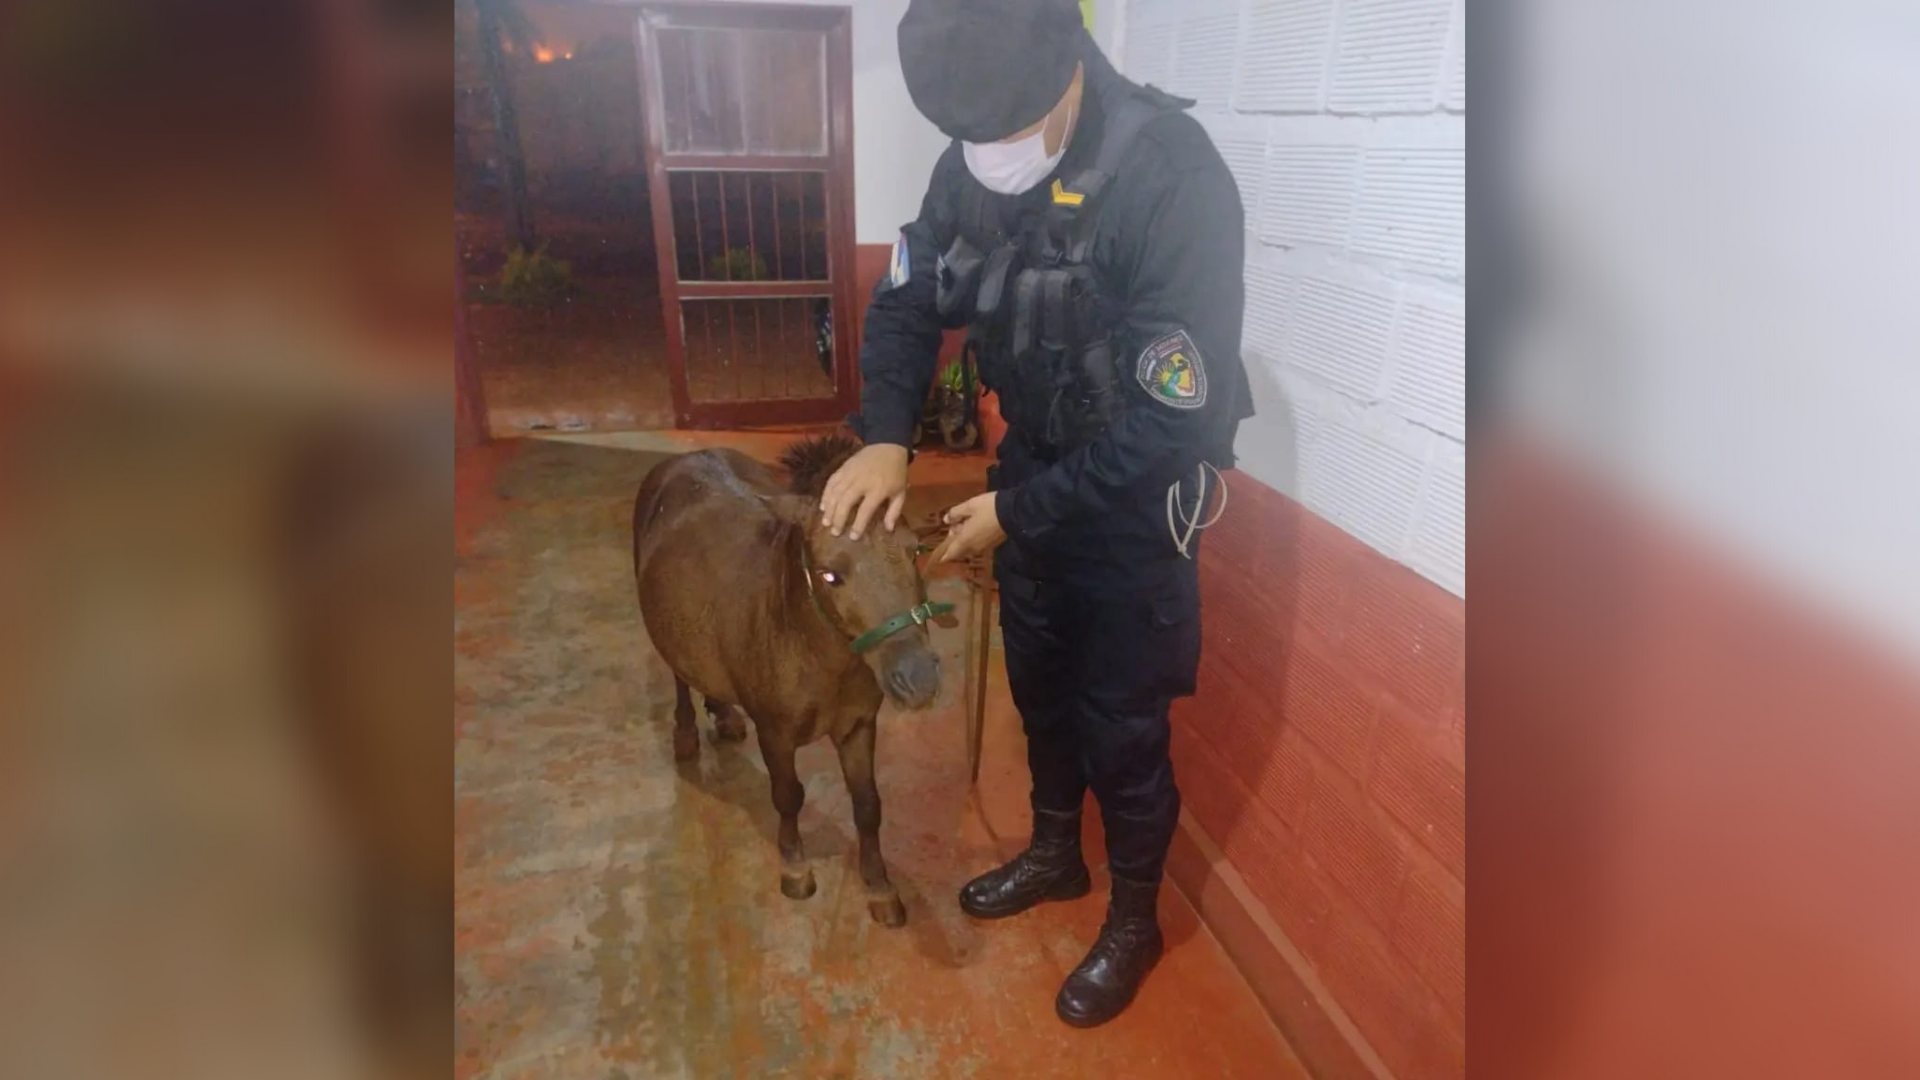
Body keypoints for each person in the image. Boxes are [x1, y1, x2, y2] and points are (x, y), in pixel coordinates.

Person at [819, 0, 1249, 1028]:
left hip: (1137, 503)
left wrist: (1015, 513)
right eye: (971, 142)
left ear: (1070, 71)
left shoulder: (1172, 177)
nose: (989, 160)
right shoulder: (973, 158)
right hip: (1032, 475)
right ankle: (1057, 856)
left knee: (1122, 724)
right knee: (1040, 687)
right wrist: (888, 430)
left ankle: (1136, 919)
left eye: (1006, 136)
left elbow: (1167, 429)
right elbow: (910, 296)